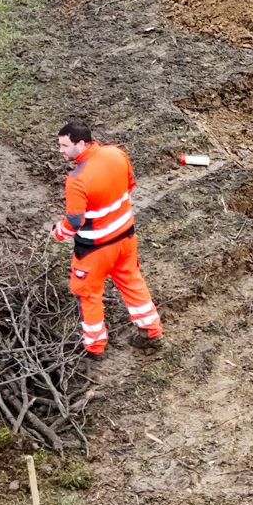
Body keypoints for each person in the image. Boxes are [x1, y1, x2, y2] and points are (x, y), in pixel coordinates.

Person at [50, 120, 163, 356]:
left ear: (80, 144)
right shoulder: (117, 154)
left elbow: (73, 223)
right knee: (132, 281)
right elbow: (129, 185)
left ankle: (94, 346)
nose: (60, 150)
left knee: (88, 294)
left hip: (94, 250)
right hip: (126, 238)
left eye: (64, 145)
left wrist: (57, 233)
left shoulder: (77, 180)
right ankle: (151, 331)